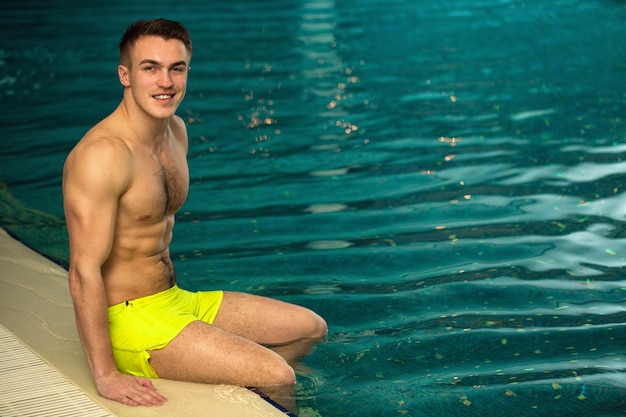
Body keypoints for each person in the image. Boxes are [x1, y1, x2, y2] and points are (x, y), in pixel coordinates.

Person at [62, 18, 327, 407]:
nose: (165, 82)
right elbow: (83, 271)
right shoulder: (102, 156)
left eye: (177, 68)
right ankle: (271, 392)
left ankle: (253, 400)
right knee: (277, 373)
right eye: (150, 68)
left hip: (176, 300)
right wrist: (105, 375)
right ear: (125, 75)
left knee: (309, 328)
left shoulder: (176, 132)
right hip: (130, 319)